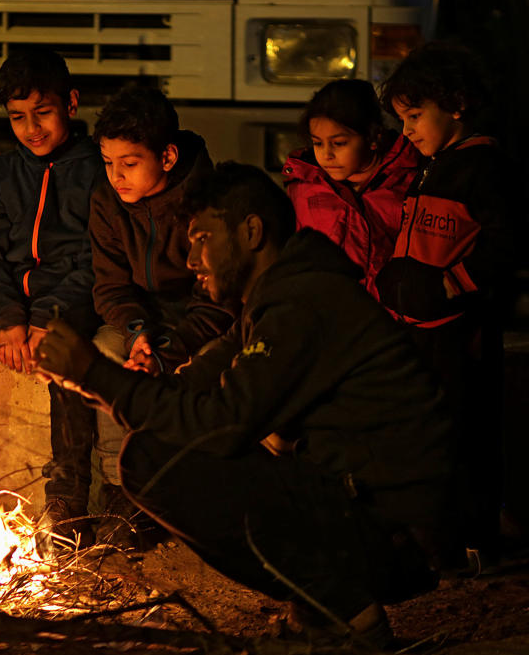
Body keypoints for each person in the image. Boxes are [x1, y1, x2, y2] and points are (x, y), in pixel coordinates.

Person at [36, 162, 453, 648]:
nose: (192, 259)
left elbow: (223, 424)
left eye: (202, 239)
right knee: (165, 442)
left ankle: (345, 612)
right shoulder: (272, 300)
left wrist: (94, 373)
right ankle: (321, 609)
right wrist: (130, 381)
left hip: (399, 533)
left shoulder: (301, 303)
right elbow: (198, 384)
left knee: (154, 460)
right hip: (364, 509)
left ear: (251, 231)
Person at [376, 42, 520, 567]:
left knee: (469, 435)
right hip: (420, 329)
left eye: (415, 117)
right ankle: (433, 537)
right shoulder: (431, 166)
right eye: (402, 119)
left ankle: (475, 543)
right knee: (426, 431)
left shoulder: (484, 167)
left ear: (456, 104)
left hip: (463, 332)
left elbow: (504, 247)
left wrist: (451, 286)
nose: (407, 130)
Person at [0, 49, 103, 549]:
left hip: (72, 306)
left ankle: (67, 502)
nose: (32, 129)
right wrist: (9, 320)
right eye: (17, 118)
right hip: (9, 312)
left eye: (42, 113)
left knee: (68, 368)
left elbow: (94, 258)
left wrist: (46, 318)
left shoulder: (96, 170)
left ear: (71, 102)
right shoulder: (3, 175)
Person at [88, 86, 232, 545]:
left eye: (129, 163)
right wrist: (136, 334)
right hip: (141, 317)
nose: (116, 176)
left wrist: (168, 348)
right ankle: (123, 490)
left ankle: (195, 491)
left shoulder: (207, 202)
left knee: (213, 361)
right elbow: (110, 283)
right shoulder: (107, 201)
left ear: (167, 157)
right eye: (108, 162)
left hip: (201, 318)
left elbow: (219, 298)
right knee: (105, 351)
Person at [282, 79, 421, 300]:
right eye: (318, 143)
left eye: (338, 143)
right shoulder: (306, 188)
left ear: (373, 138)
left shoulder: (408, 183)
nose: (326, 154)